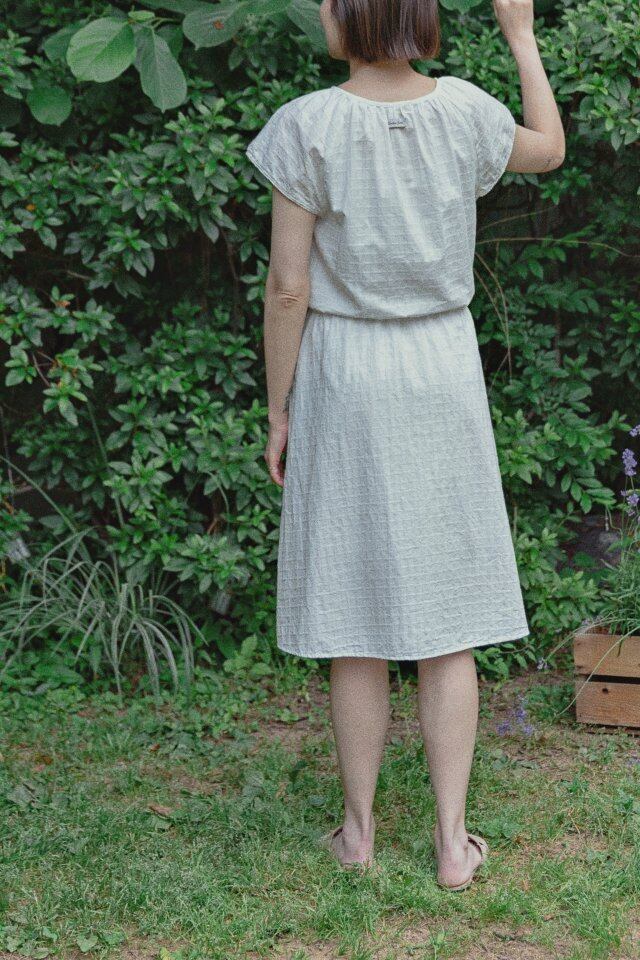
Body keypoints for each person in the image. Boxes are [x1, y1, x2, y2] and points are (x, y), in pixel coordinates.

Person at [244, 0, 565, 889]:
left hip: (346, 371)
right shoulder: (464, 110)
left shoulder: (306, 125)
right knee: (447, 614)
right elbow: (549, 146)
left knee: (354, 613)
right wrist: (521, 37)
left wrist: (278, 410)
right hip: (440, 364)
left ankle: (359, 835)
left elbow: (287, 287)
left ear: (351, 16)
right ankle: (453, 845)